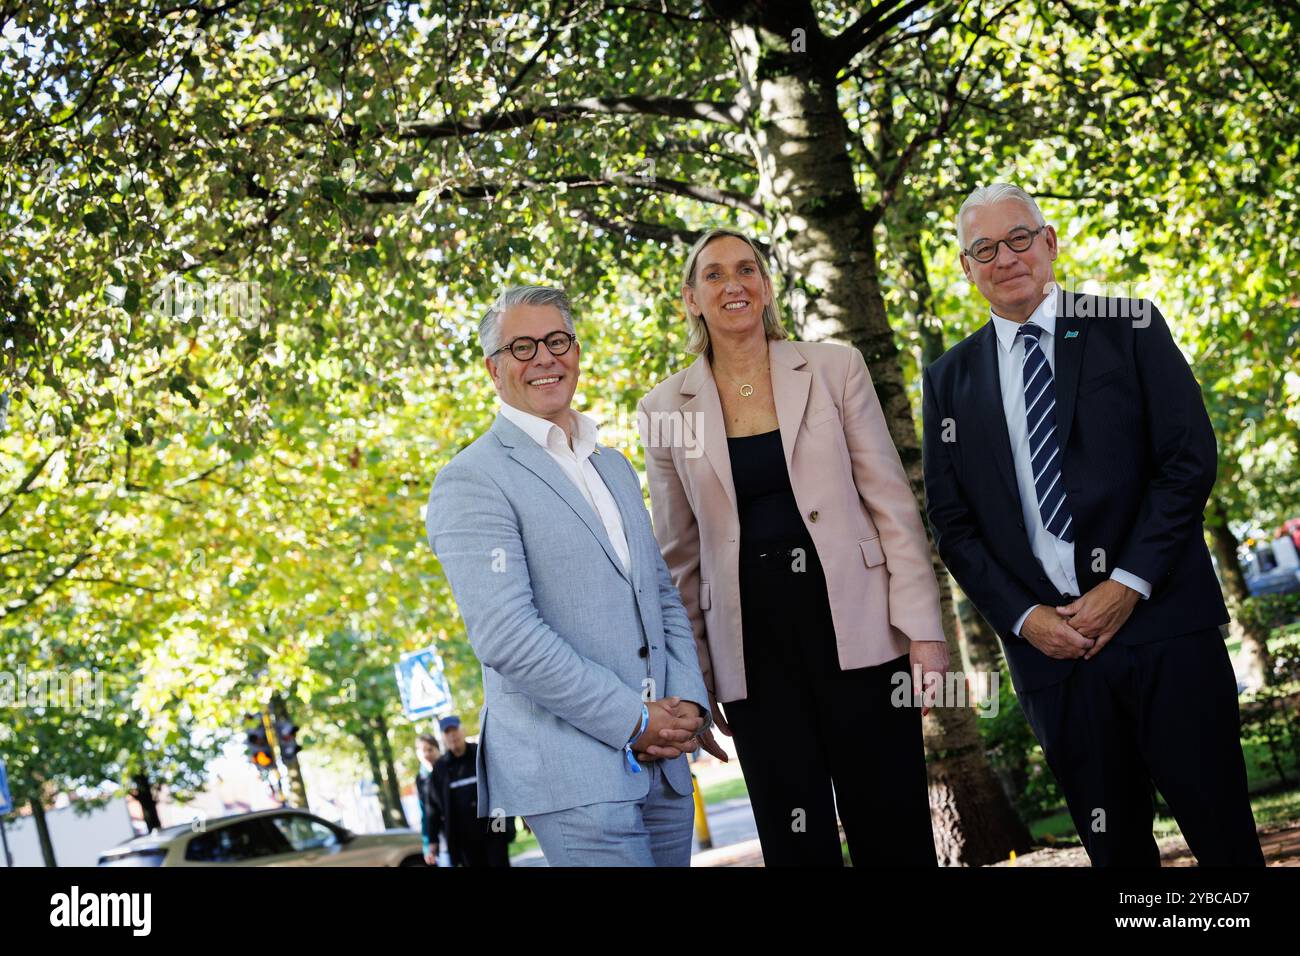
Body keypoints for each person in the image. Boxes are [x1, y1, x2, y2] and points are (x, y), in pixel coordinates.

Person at [921, 183, 1264, 866]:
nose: (1006, 258)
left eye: (1019, 237)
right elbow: (954, 525)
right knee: (1117, 857)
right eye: (984, 249)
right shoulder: (947, 381)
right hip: (1055, 660)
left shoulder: (1128, 325)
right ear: (966, 268)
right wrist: (1025, 619)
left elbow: (1187, 460)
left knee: (1224, 840)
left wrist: (1127, 583)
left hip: (1167, 628)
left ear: (1048, 242)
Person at [638, 228, 947, 867]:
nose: (734, 285)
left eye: (747, 269)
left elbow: (892, 504)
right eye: (715, 275)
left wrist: (923, 630)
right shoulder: (664, 406)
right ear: (690, 299)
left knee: (892, 826)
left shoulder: (835, 368)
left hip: (862, 634)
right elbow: (679, 557)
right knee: (795, 840)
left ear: (767, 285)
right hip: (752, 656)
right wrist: (692, 682)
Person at [425, 284, 712, 867]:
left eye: (557, 341)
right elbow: (508, 636)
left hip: (666, 763)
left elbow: (659, 591)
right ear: (493, 368)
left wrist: (689, 700)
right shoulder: (470, 481)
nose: (545, 358)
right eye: (523, 347)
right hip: (573, 773)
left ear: (576, 351)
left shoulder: (612, 465)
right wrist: (631, 719)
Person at [423, 716, 514, 867]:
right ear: (443, 738)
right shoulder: (440, 769)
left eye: (455, 730)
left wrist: (504, 827)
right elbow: (433, 808)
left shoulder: (482, 754)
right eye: (447, 733)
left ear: (462, 730)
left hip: (494, 832)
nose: (452, 735)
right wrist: (432, 841)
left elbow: (503, 787)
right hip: (463, 840)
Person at [414, 732, 444, 866]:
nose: (427, 754)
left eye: (430, 749)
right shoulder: (420, 779)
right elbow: (424, 813)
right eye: (422, 751)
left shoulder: (448, 768)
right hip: (439, 836)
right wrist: (427, 845)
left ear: (437, 749)